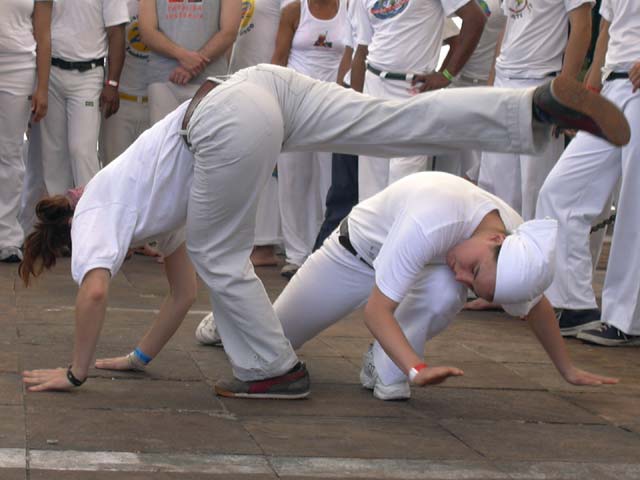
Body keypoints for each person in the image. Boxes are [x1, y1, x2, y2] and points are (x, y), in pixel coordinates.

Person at [19, 64, 629, 396]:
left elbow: (94, 292)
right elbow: (180, 294)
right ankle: (530, 111)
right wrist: (137, 357)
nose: (113, 262)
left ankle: (273, 369)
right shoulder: (145, 205)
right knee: (394, 121)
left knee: (217, 251)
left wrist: (75, 372)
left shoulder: (97, 212)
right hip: (260, 85)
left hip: (224, 117)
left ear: (73, 236)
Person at [267, 172, 618, 401]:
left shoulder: (510, 239)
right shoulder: (434, 218)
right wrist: (418, 368)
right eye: (474, 269)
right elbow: (376, 311)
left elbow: (535, 305)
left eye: (474, 286)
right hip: (353, 258)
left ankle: (382, 363)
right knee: (266, 346)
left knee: (442, 293)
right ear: (496, 238)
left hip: (424, 266)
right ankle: (219, 325)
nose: (464, 278)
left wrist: (567, 370)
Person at [536, 0, 640, 346]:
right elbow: (607, 28)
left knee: (634, 205)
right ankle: (573, 303)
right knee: (561, 191)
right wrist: (588, 92)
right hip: (614, 83)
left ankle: (628, 319)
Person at [350, 0, 486, 201]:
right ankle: (372, 233)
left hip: (413, 88)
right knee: (371, 187)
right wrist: (354, 103)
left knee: (405, 183)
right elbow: (361, 50)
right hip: (373, 86)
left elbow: (475, 18)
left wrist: (446, 75)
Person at [477, 0, 594, 220]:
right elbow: (507, 27)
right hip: (503, 84)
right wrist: (491, 85)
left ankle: (534, 254)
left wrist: (562, 95)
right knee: (494, 187)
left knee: (535, 189)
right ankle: (502, 252)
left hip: (539, 86)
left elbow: (582, 27)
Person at [271, 0, 351, 278]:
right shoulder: (294, 11)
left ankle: (324, 251)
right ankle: (295, 254)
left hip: (332, 105)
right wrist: (274, 103)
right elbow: (278, 59)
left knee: (330, 181)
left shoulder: (350, 9)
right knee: (293, 180)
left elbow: (353, 55)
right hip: (295, 104)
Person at [31, 0, 129, 195]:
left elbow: (116, 33)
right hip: (51, 71)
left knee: (82, 151)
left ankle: (90, 214)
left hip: (88, 74)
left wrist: (112, 83)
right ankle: (59, 219)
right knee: (53, 156)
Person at [0, 0, 53, 263]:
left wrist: (42, 87)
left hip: (18, 66)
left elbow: (43, 35)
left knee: (10, 154)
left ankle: (7, 238)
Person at [139, 0, 241, 124]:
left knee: (207, 142)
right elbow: (146, 32)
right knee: (165, 141)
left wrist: (192, 65)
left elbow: (229, 32)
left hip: (210, 82)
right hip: (164, 81)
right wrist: (182, 55)